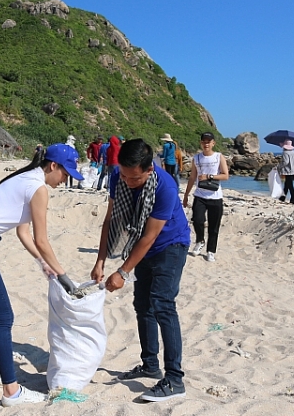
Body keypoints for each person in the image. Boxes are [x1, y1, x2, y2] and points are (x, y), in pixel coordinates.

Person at [0, 144, 83, 407]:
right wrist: (63, 274)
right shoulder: (38, 187)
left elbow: (24, 233)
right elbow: (42, 240)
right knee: (4, 318)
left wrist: (41, 264)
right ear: (53, 166)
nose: (66, 180)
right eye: (66, 173)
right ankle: (11, 392)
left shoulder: (24, 178)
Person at [90, 138, 190, 402]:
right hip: (140, 242)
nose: (128, 182)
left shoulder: (165, 186)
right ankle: (150, 365)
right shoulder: (118, 177)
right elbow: (110, 219)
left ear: (149, 170)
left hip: (170, 243)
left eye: (134, 179)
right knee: (142, 304)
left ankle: (175, 379)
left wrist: (122, 272)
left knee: (162, 304)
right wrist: (100, 260)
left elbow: (151, 236)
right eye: (124, 175)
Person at [182, 132, 229, 262]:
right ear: (201, 143)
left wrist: (209, 176)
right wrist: (186, 195)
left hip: (215, 196)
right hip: (200, 195)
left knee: (214, 226)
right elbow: (192, 178)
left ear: (213, 143)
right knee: (197, 220)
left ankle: (211, 251)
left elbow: (225, 175)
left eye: (209, 141)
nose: (206, 144)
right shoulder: (196, 158)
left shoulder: (219, 157)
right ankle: (200, 241)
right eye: (204, 141)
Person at [278, 140, 294, 204]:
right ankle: (282, 198)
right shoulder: (293, 152)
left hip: (288, 171)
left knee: (290, 185)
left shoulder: (285, 153)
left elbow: (285, 162)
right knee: (287, 185)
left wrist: (279, 166)